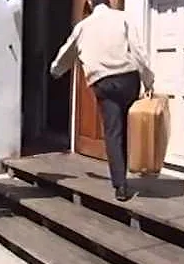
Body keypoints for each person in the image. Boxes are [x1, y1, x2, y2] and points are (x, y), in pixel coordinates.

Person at [50, 0, 155, 201]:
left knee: (113, 132)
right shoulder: (123, 18)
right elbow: (139, 52)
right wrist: (148, 80)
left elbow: (67, 53)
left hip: (104, 82)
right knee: (129, 125)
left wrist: (55, 71)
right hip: (128, 79)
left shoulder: (83, 26)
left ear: (90, 3)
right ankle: (141, 164)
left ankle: (121, 186)